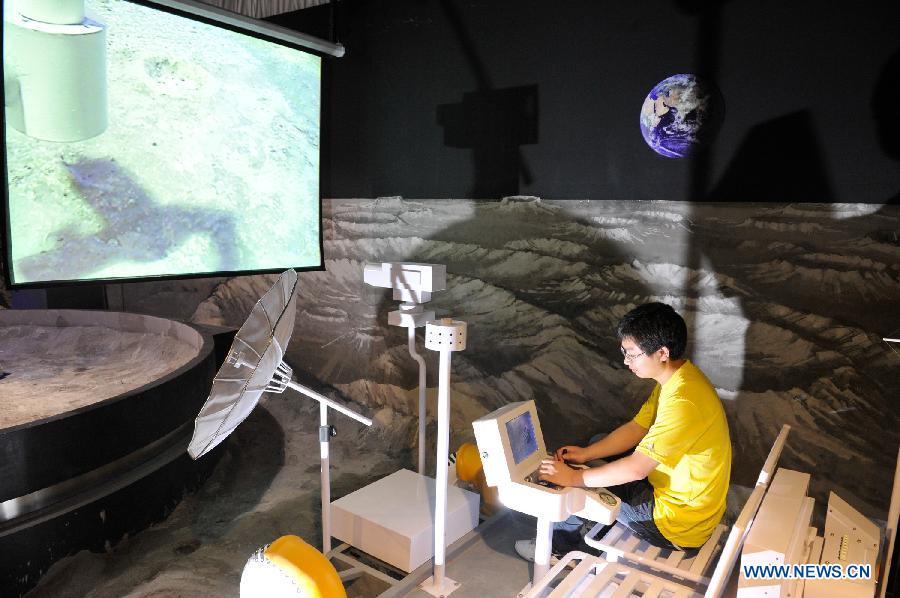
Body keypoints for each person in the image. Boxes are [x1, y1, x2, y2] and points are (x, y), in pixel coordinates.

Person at [515, 302, 732, 561]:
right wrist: (586, 453)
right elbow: (637, 428)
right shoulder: (680, 379)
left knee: (582, 484)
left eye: (633, 354)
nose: (626, 361)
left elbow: (637, 469)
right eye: (624, 352)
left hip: (674, 524)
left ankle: (559, 548)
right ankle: (584, 526)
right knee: (596, 448)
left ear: (662, 352)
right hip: (685, 505)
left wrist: (574, 479)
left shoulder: (684, 401)